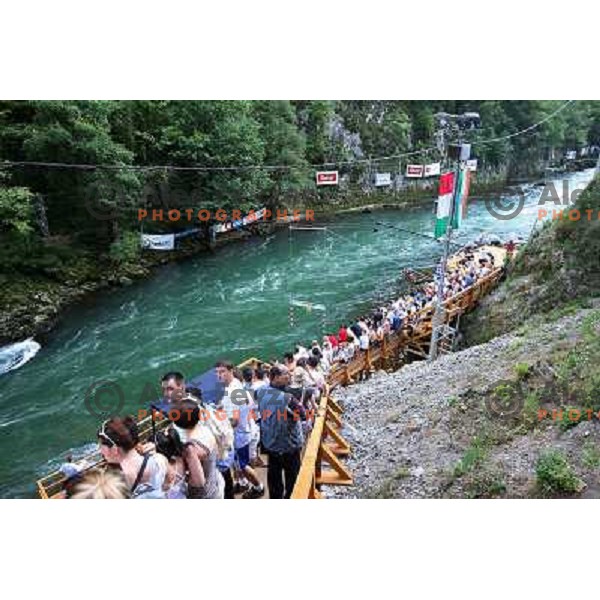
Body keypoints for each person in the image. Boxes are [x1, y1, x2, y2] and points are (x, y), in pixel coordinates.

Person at [215, 360, 264, 499]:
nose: (219, 375)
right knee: (238, 464)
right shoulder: (236, 384)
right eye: (217, 372)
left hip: (239, 435)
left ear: (231, 371)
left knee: (243, 465)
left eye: (222, 371)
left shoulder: (233, 391)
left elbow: (234, 421)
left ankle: (258, 486)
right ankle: (242, 483)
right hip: (246, 429)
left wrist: (217, 423)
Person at [256, 365, 304, 499]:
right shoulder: (288, 398)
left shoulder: (260, 391)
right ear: (275, 377)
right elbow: (303, 414)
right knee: (292, 478)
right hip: (289, 445)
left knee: (274, 477)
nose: (289, 376)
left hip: (270, 443)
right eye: (286, 374)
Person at [98, 416, 168, 499]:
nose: (100, 451)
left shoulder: (111, 483)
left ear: (114, 449)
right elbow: (166, 486)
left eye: (101, 446)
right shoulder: (160, 460)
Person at [168, 398, 225, 499]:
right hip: (215, 484)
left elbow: (198, 483)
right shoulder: (206, 430)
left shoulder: (191, 448)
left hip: (205, 496)